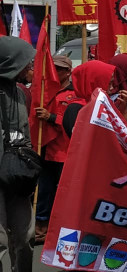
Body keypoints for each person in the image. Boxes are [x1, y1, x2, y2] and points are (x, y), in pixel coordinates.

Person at [0, 36, 36, 271]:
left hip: (18, 177)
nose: (30, 68)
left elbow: (25, 133)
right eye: (26, 63)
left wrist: (30, 166)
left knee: (26, 236)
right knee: (0, 240)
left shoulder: (21, 93)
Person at [32, 55, 75, 245]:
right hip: (45, 149)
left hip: (64, 151)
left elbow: (72, 121)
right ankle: (41, 227)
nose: (55, 72)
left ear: (67, 72)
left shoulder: (75, 94)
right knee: (44, 190)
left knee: (63, 192)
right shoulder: (46, 91)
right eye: (53, 68)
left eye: (58, 69)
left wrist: (51, 117)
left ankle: (60, 227)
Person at [62, 60, 117, 139]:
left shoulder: (106, 105)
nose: (112, 88)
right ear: (94, 83)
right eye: (108, 84)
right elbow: (81, 140)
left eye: (113, 83)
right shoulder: (76, 109)